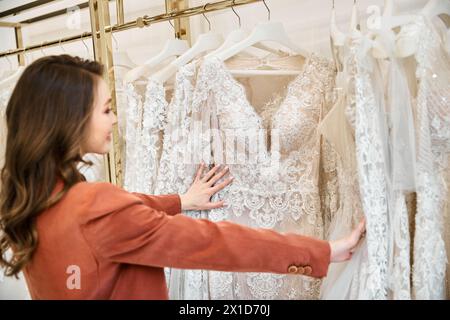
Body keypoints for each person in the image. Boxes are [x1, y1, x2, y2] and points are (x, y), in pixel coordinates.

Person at [0, 55, 365, 299]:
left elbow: (116, 215)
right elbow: (213, 243)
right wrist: (322, 251)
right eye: (107, 109)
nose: (115, 120)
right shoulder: (94, 206)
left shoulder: (33, 200)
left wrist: (179, 202)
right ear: (69, 119)